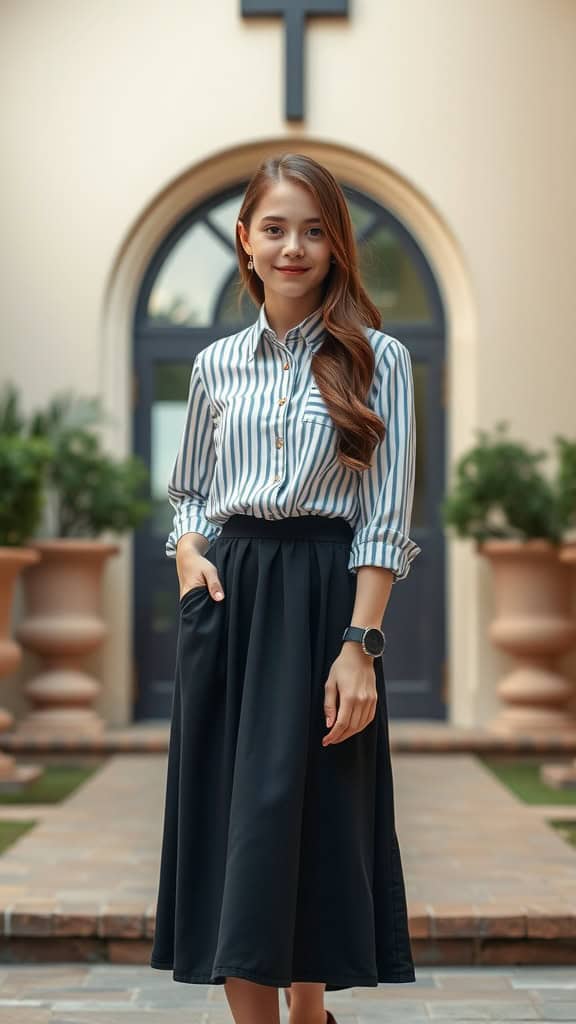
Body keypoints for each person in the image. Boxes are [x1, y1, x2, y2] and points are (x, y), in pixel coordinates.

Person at [150, 152, 422, 1024]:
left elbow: (385, 517)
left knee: (310, 822)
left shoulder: (381, 359)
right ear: (246, 241)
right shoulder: (215, 365)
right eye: (275, 228)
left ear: (337, 245)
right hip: (230, 603)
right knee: (237, 828)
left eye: (313, 230)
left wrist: (360, 646)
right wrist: (189, 551)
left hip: (323, 602)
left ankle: (313, 1015)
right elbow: (187, 488)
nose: (294, 246)